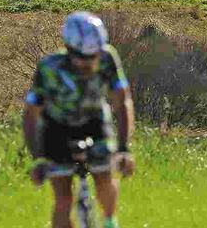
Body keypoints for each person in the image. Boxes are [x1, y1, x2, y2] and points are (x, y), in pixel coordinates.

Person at [23, 12, 135, 228]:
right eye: (83, 58)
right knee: (64, 199)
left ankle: (110, 222)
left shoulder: (107, 58)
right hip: (57, 128)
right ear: (69, 49)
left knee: (105, 177)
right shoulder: (49, 68)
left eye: (94, 56)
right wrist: (37, 158)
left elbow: (122, 103)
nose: (90, 63)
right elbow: (31, 113)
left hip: (95, 122)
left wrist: (123, 149)